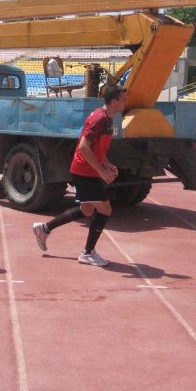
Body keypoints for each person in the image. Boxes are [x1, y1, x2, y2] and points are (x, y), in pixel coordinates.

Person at [31, 84, 127, 266]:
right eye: (124, 99)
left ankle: (44, 228)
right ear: (114, 102)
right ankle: (88, 253)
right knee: (105, 210)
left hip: (87, 170)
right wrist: (102, 171)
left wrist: (107, 164)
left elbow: (95, 146)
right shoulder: (99, 119)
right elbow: (83, 146)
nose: (126, 102)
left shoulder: (107, 118)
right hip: (85, 171)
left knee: (87, 210)